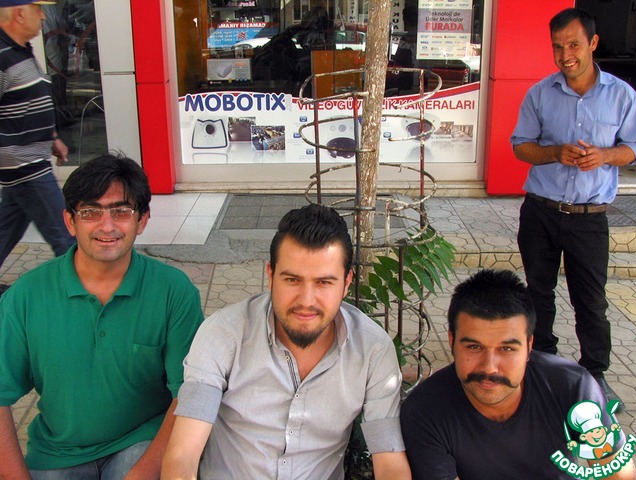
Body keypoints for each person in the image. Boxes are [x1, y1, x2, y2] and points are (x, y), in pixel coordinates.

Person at [161, 204, 411, 479]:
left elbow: (390, 462)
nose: (306, 300)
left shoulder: (373, 350)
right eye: (292, 280)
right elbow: (183, 454)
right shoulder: (223, 334)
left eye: (324, 282)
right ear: (270, 275)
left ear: (346, 282)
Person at [0, 154, 204, 479]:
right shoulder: (26, 295)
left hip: (141, 443)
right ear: (70, 221)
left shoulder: (174, 292)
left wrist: (141, 475)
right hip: (57, 453)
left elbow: (191, 394)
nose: (106, 226)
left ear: (142, 220)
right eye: (90, 212)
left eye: (121, 212)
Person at [510, 7, 636, 410]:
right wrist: (553, 152)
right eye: (557, 47)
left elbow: (634, 148)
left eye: (573, 45)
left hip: (589, 218)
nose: (565, 55)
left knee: (591, 301)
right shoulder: (540, 93)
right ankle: (541, 363)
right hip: (541, 211)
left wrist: (605, 155)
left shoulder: (621, 95)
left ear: (593, 43)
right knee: (538, 293)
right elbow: (520, 146)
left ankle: (595, 374)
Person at [400, 269, 636, 480]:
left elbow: (618, 475)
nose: (489, 367)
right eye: (473, 347)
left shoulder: (572, 386)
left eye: (507, 349)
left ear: (529, 345)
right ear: (451, 340)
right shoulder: (424, 412)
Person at [0, 0, 76, 295]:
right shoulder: (2, 56)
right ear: (19, 14)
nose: (43, 16)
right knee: (66, 236)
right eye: (37, 9)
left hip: (28, 160)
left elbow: (28, 101)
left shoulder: (20, 50)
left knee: (7, 228)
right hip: (24, 165)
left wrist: (51, 136)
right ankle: (83, 298)